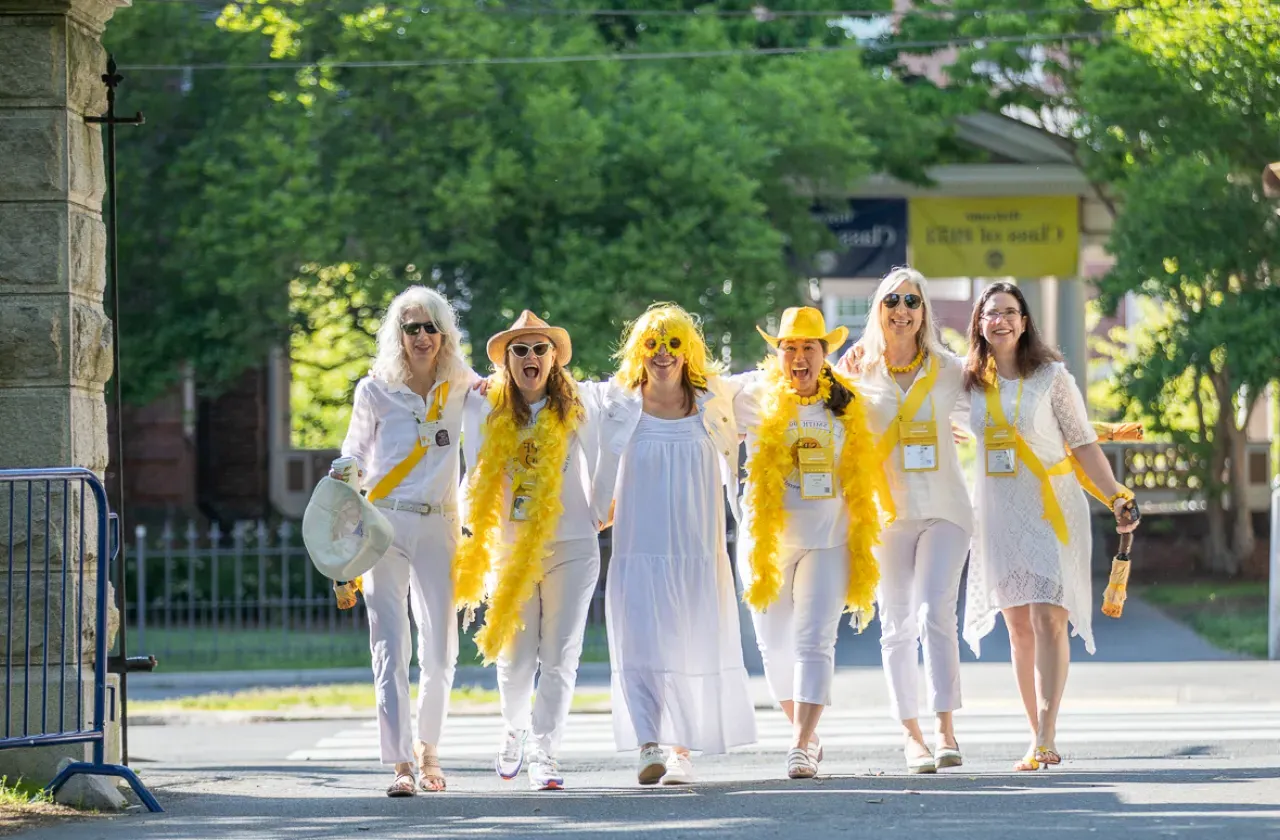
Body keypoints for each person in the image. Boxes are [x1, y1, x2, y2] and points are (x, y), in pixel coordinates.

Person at [961, 281, 1140, 771]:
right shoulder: (970, 381)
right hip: (998, 512)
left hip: (1051, 509)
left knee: (1048, 617)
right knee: (1017, 626)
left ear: (1024, 321)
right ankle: (1033, 734)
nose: (999, 320)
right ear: (979, 323)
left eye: (1009, 312)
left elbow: (1083, 443)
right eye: (990, 313)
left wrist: (1116, 494)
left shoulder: (1053, 377)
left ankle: (1047, 732)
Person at [593, 303, 756, 785]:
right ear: (637, 351)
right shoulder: (618, 402)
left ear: (689, 352)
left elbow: (777, 387)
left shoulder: (716, 399)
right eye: (652, 344)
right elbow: (561, 396)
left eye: (673, 344)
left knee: (689, 640)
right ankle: (648, 744)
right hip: (639, 549)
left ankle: (681, 750)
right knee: (641, 639)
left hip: (696, 552)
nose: (662, 354)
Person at [336, 286, 476, 796]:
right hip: (385, 524)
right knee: (390, 645)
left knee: (440, 647)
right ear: (399, 335)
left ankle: (429, 749)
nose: (421, 336)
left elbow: (507, 409)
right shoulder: (375, 389)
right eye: (411, 328)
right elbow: (353, 451)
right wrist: (345, 471)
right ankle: (400, 763)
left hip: (441, 523)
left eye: (430, 327)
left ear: (444, 334)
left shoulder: (463, 385)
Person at [454, 311, 602, 791]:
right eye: (520, 350)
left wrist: (606, 502)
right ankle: (514, 729)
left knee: (561, 655)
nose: (531, 357)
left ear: (555, 357)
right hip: (511, 547)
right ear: (506, 362)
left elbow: (609, 446)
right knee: (515, 659)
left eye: (540, 348)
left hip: (572, 543)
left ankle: (545, 751)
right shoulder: (482, 407)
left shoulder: (579, 403)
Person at [734, 306, 881, 779]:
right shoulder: (752, 395)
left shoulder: (850, 401)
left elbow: (904, 405)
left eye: (808, 348)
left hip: (829, 538)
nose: (799, 358)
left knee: (814, 641)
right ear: (777, 354)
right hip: (768, 542)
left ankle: (799, 745)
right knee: (772, 645)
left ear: (824, 353)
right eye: (789, 348)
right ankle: (808, 734)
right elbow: (693, 389)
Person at [836, 267, 973, 774]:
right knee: (895, 625)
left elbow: (1001, 410)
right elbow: (812, 416)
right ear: (878, 309)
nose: (902, 310)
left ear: (924, 313)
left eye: (912, 301)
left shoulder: (952, 369)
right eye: (892, 300)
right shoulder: (853, 372)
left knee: (935, 614)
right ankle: (911, 736)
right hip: (887, 516)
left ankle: (945, 730)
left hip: (946, 509)